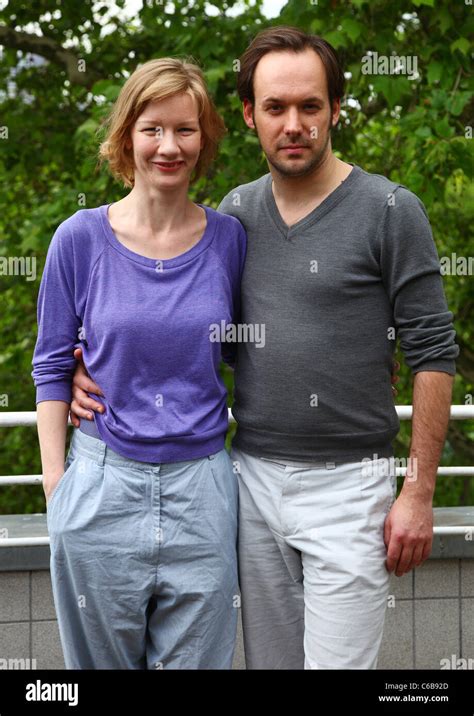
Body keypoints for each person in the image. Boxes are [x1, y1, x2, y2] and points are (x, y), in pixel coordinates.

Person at [70, 27, 458, 670]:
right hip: (246, 483)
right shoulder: (234, 216)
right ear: (250, 114)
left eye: (310, 106)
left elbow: (433, 352)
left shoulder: (391, 209)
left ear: (336, 108)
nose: (294, 123)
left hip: (350, 488)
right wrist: (94, 361)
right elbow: (209, 341)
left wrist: (417, 491)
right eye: (276, 107)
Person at [31, 57, 246, 670]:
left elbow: (246, 352)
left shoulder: (230, 239)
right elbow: (50, 367)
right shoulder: (79, 238)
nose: (169, 146)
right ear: (127, 134)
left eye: (186, 129)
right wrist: (58, 489)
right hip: (101, 487)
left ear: (204, 138)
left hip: (203, 489)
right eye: (152, 128)